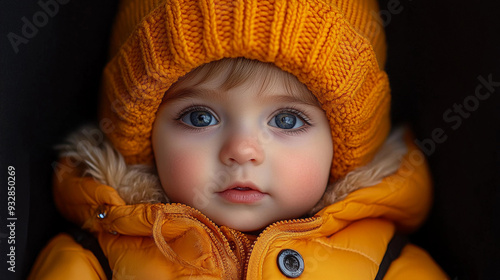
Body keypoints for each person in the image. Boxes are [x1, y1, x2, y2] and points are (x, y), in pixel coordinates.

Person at [28, 0, 448, 279]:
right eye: (200, 116)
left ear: (342, 146)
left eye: (286, 120)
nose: (242, 150)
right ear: (143, 136)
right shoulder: (90, 262)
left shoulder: (390, 266)